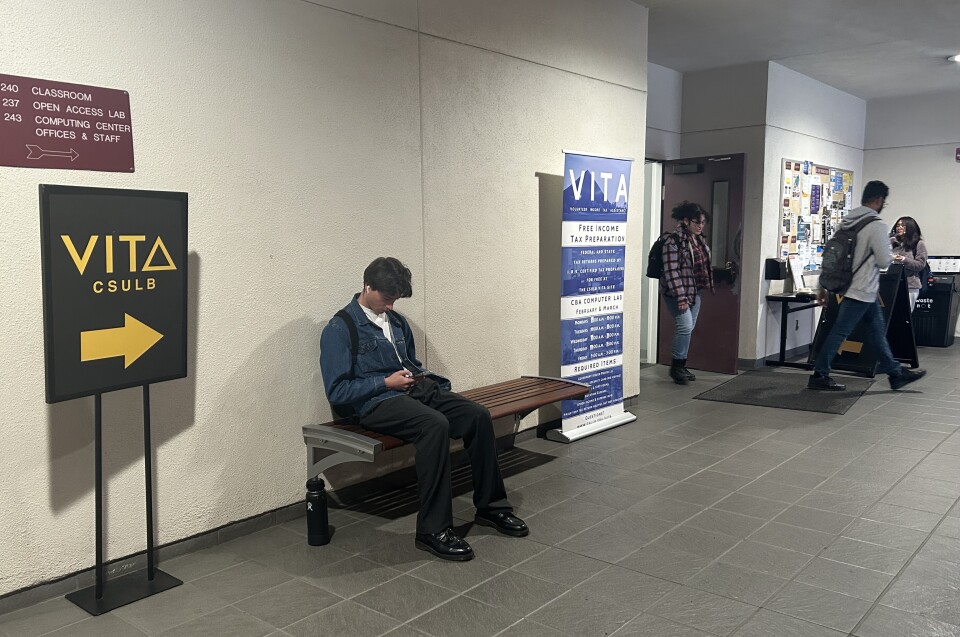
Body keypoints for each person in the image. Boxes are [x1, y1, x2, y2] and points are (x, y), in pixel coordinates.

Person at [319, 257, 527, 561]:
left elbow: (410, 363)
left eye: (395, 300)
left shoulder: (397, 322)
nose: (390, 306)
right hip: (376, 403)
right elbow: (337, 391)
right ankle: (433, 530)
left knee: (477, 416)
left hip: (414, 391)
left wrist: (421, 379)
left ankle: (492, 507)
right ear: (367, 286)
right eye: (386, 298)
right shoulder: (340, 328)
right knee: (434, 425)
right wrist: (385, 382)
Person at [809, 181, 927, 391]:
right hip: (863, 289)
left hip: (851, 287)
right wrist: (886, 246)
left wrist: (822, 285)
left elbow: (831, 255)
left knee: (876, 333)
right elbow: (883, 261)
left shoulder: (847, 221)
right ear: (879, 200)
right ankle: (820, 373)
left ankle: (895, 373)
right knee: (840, 332)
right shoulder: (876, 225)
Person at [660, 201, 714, 384]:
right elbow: (672, 272)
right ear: (685, 221)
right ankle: (676, 368)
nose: (700, 226)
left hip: (695, 291)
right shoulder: (673, 241)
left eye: (703, 222)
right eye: (697, 222)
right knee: (684, 326)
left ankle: (681, 366)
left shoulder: (699, 240)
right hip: (677, 293)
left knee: (688, 328)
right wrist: (681, 297)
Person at [890, 216, 928, 311]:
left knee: (904, 313)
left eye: (903, 225)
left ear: (910, 227)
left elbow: (920, 265)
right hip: (892, 283)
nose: (899, 228)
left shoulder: (918, 243)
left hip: (910, 285)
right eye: (898, 225)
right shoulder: (893, 242)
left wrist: (903, 259)